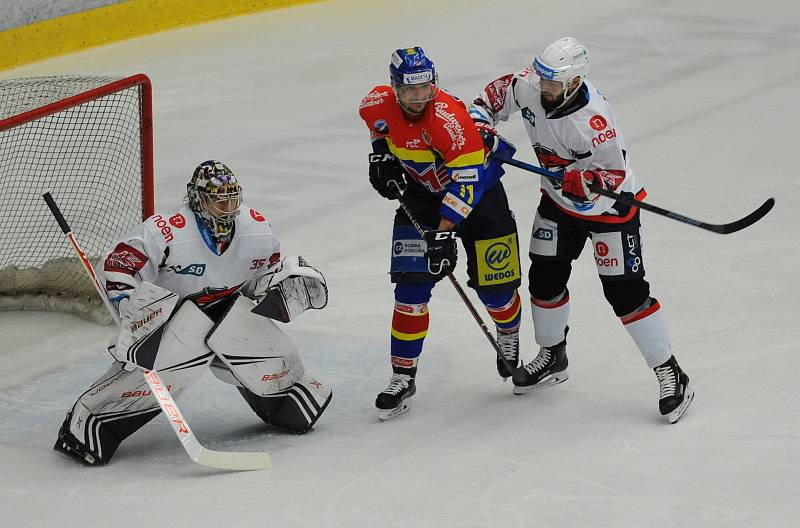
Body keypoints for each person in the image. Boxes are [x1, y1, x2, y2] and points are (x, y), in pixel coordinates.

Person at [469, 37, 694, 423]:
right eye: (543, 80)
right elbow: (485, 102)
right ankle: (553, 354)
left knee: (625, 293)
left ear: (574, 82)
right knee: (543, 279)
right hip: (558, 206)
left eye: (553, 84)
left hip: (610, 209)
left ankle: (671, 372)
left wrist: (588, 181)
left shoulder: (594, 120)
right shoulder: (529, 84)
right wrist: (481, 129)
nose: (544, 89)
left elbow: (613, 173)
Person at [54, 160, 332, 465]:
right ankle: (90, 423)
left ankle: (284, 401)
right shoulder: (165, 231)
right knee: (167, 363)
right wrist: (133, 308)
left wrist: (283, 285)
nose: (227, 207)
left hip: (227, 316)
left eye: (232, 198)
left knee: (280, 369)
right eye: (218, 199)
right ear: (199, 199)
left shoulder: (258, 230)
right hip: (171, 322)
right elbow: (118, 267)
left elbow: (260, 282)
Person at [358, 47, 525, 421]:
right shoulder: (375, 103)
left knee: (495, 289)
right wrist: (380, 154)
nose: (419, 98)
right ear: (394, 88)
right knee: (410, 290)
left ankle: (509, 332)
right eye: (410, 91)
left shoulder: (451, 122)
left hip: (480, 198)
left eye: (426, 89)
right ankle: (403, 376)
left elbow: (465, 190)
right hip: (420, 197)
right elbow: (378, 127)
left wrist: (444, 235)